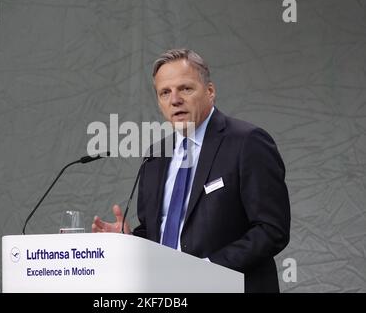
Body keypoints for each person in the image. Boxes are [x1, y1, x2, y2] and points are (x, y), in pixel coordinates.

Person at [92, 49, 290, 293]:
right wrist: (129, 241)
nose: (174, 99)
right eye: (165, 92)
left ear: (210, 91)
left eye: (185, 88)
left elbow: (271, 230)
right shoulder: (156, 154)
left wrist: (206, 271)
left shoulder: (247, 142)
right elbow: (158, 234)